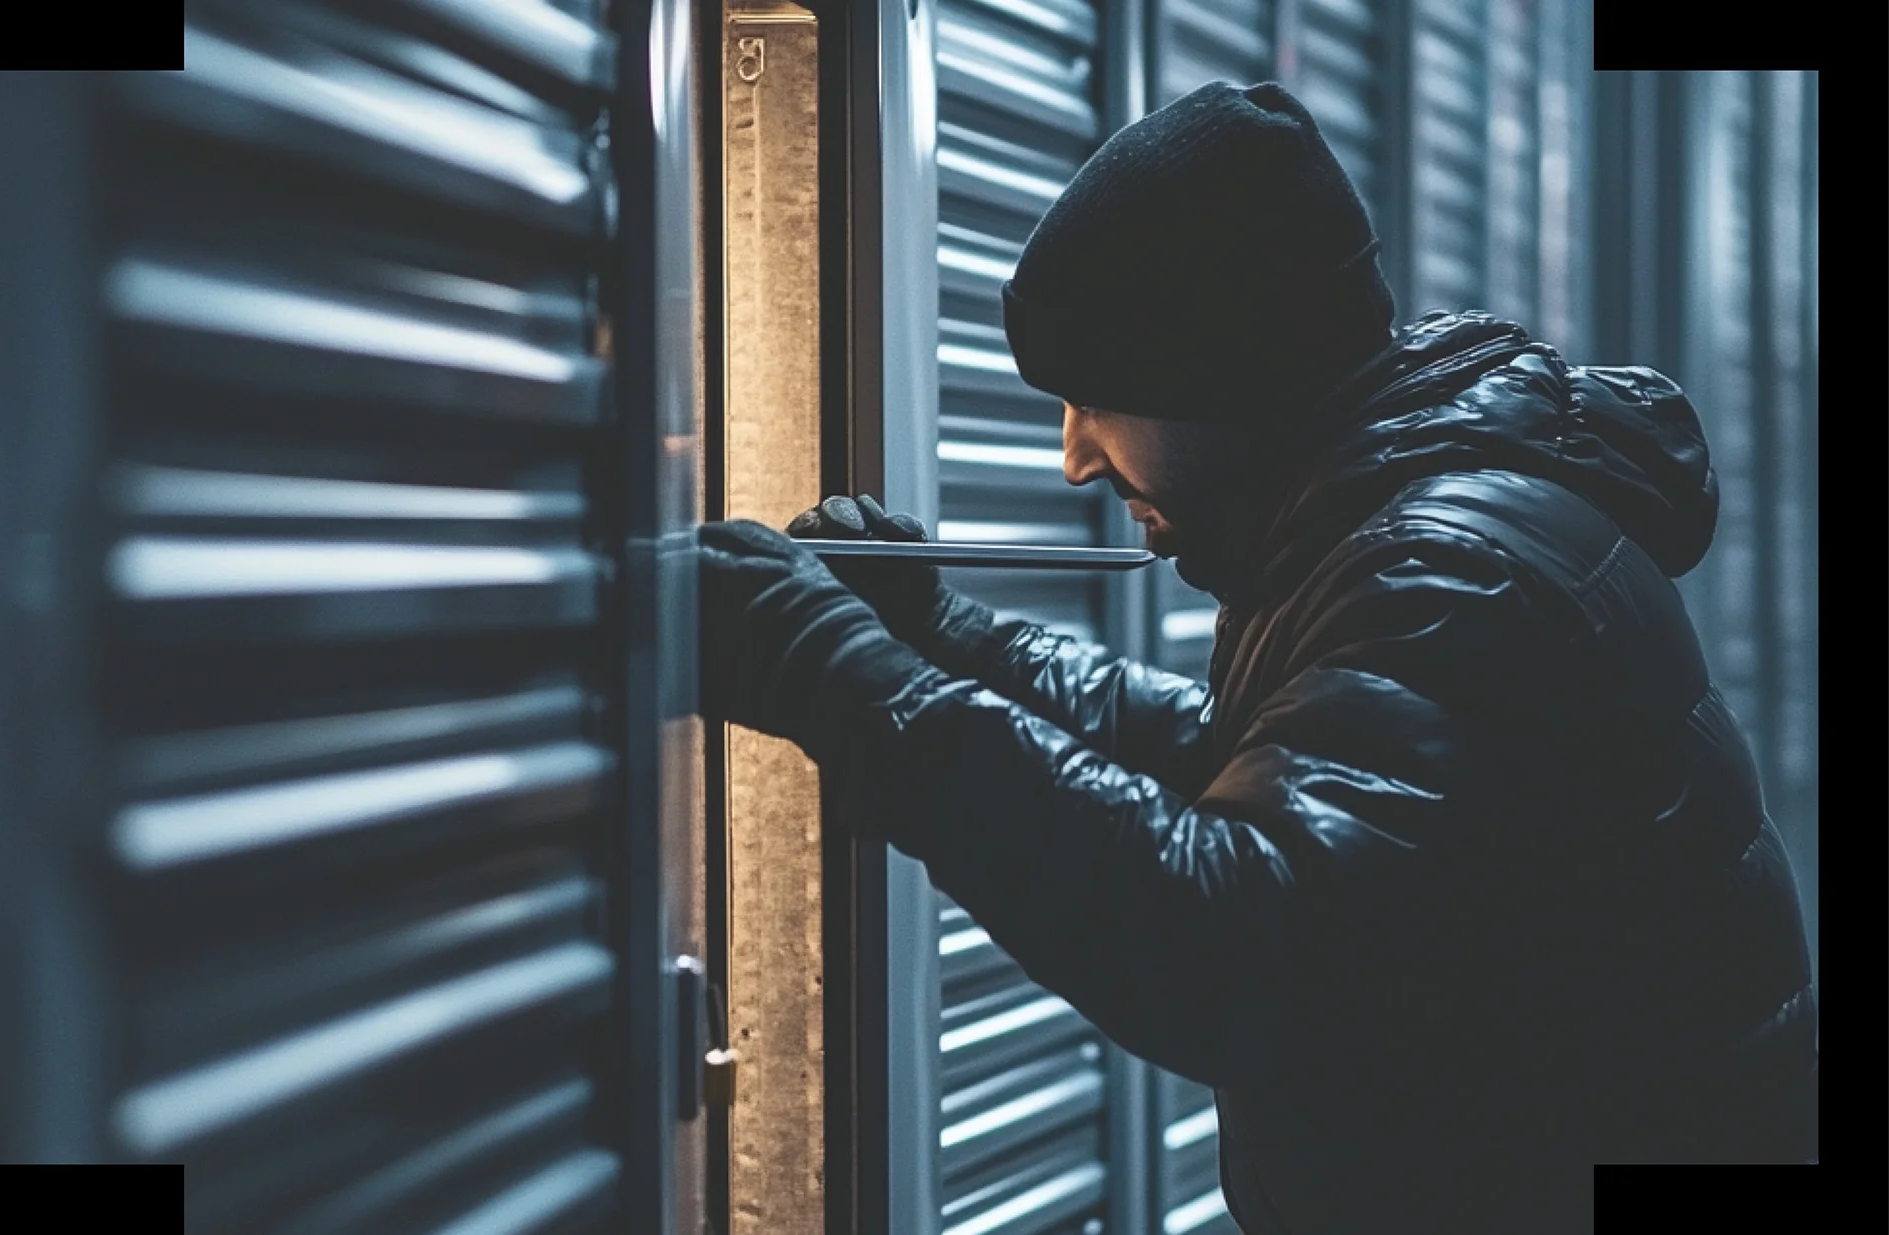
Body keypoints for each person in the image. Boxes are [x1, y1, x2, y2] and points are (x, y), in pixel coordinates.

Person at [697, 82, 1818, 1232]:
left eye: (1097, 396)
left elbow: (1232, 937)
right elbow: (1245, 759)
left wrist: (835, 672)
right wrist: (942, 632)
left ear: (1223, 374)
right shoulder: (1419, 524)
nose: (1074, 456)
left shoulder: (1448, 569)